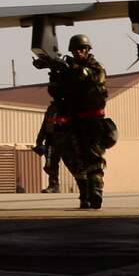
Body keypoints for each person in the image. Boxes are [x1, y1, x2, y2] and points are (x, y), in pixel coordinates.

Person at [39, 34, 108, 209]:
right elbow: (55, 93)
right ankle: (85, 196)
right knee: (77, 160)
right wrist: (55, 74)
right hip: (74, 122)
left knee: (94, 158)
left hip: (93, 121)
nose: (78, 52)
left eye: (82, 48)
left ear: (88, 50)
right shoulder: (67, 71)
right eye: (75, 49)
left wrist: (73, 68)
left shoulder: (96, 67)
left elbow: (93, 77)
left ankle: (96, 191)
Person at [34, 114, 63, 194]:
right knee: (51, 164)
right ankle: (53, 185)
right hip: (52, 141)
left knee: (75, 163)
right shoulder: (51, 110)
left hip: (67, 140)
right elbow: (45, 125)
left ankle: (85, 186)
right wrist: (39, 140)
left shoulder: (69, 108)